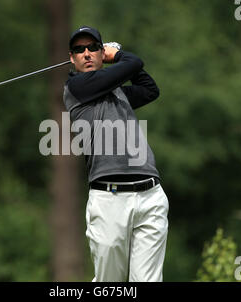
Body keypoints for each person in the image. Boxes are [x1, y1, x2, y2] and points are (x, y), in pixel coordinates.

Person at [63, 26, 169, 282]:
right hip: (109, 200)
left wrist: (120, 61)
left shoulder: (116, 91)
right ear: (72, 58)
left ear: (101, 54)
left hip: (150, 195)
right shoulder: (75, 88)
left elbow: (149, 89)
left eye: (93, 48)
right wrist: (118, 55)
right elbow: (135, 62)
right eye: (80, 50)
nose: (86, 53)